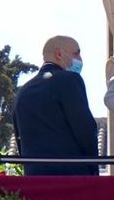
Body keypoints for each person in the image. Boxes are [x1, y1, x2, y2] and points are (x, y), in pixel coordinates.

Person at [13, 35, 100, 176]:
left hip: (34, 178)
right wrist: (93, 170)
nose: (80, 59)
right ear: (59, 53)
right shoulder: (69, 80)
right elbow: (85, 129)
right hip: (70, 176)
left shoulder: (23, 92)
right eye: (76, 53)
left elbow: (20, 139)